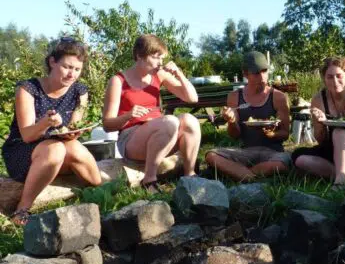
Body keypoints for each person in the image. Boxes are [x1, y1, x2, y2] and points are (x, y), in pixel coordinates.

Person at [1, 37, 102, 225]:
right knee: (55, 149)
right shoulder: (28, 89)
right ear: (52, 62)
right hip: (23, 150)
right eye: (67, 67)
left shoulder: (80, 91)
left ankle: (98, 198)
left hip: (58, 147)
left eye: (77, 69)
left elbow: (73, 126)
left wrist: (73, 132)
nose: (72, 74)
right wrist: (45, 123)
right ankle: (22, 210)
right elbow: (27, 135)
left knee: (93, 177)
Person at [103, 34, 200, 192]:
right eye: (155, 57)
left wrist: (179, 74)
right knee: (170, 122)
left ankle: (190, 175)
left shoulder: (159, 75)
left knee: (190, 120)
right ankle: (149, 180)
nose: (160, 63)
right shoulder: (118, 81)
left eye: (162, 58)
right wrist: (128, 115)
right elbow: (107, 125)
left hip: (162, 135)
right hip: (130, 140)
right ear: (139, 56)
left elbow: (192, 98)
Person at [205, 51, 291, 181]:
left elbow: (285, 133)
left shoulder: (278, 97)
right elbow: (234, 135)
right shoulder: (235, 97)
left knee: (282, 164)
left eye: (264, 71)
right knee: (211, 156)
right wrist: (232, 121)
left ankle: (242, 174)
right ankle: (251, 175)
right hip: (246, 152)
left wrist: (272, 134)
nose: (262, 77)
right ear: (245, 74)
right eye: (256, 73)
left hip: (273, 153)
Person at [292, 56, 345, 186]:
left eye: (339, 76)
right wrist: (321, 122)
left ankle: (339, 183)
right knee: (299, 158)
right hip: (330, 148)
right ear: (324, 79)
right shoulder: (318, 100)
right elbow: (320, 140)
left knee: (339, 131)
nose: (335, 81)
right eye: (330, 77)